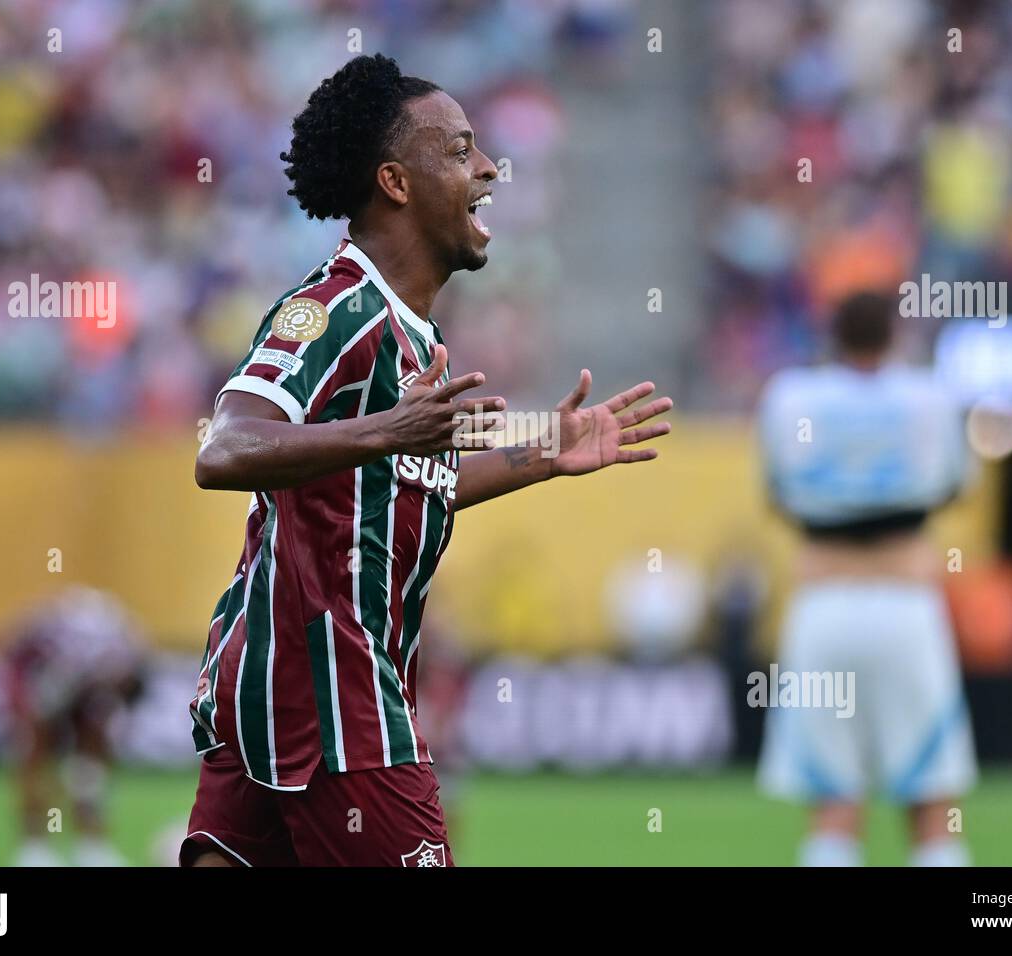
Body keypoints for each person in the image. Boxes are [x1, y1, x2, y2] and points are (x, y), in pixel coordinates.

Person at [180, 53, 672, 867]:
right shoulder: (336, 310)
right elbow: (224, 447)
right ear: (397, 184)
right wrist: (384, 432)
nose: (487, 168)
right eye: (459, 150)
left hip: (280, 699)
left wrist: (543, 450)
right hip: (341, 712)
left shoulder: (414, 339)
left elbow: (404, 483)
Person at [755, 291, 978, 866]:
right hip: (907, 605)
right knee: (932, 803)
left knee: (834, 800)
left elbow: (777, 494)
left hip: (823, 605)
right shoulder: (930, 396)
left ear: (833, 335)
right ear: (893, 335)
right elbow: (955, 486)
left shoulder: (791, 397)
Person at [1, 586, 144, 867]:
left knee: (89, 765)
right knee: (36, 758)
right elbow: (11, 656)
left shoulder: (123, 649)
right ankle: (34, 848)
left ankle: (91, 846)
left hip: (78, 684)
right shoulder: (54, 650)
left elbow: (102, 722)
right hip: (39, 681)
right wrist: (29, 715)